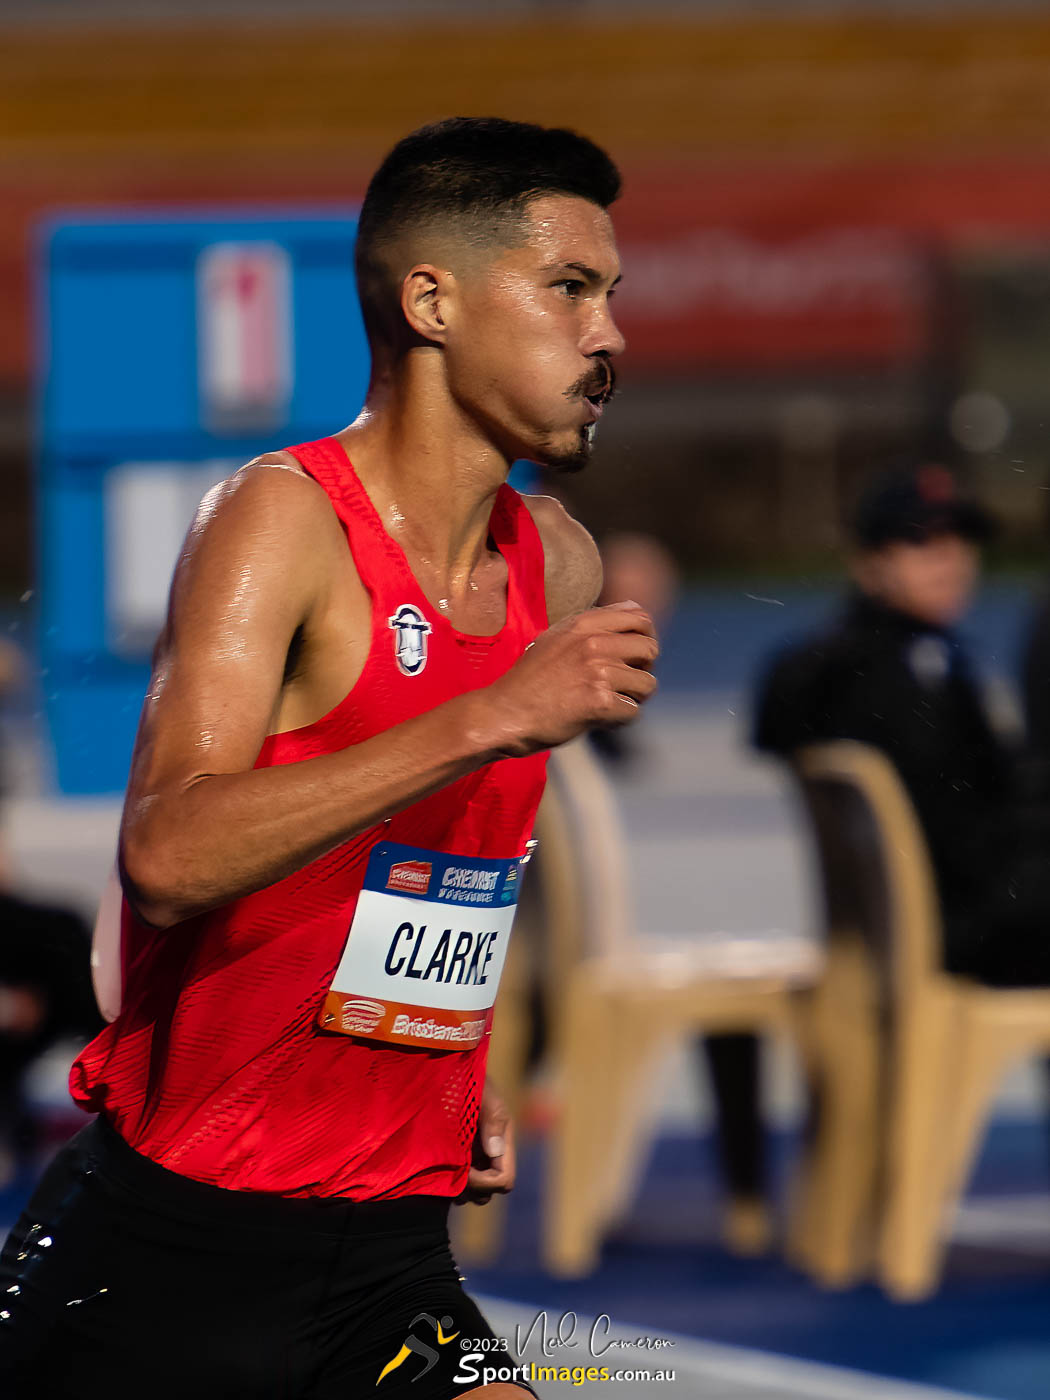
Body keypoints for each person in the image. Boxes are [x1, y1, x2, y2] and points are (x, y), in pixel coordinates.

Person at [0, 117, 658, 1399]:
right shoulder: (282, 521)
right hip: (166, 1254)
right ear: (433, 301)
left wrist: (426, 1061)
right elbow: (171, 852)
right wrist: (489, 713)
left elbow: (441, 867)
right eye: (570, 288)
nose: (609, 335)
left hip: (390, 1255)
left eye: (612, 296)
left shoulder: (555, 562)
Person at [755, 461, 1050, 986]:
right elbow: (967, 827)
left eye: (960, 540)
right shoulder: (889, 667)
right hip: (958, 928)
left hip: (924, 920)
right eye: (923, 541)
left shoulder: (917, 657)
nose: (952, 559)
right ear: (871, 562)